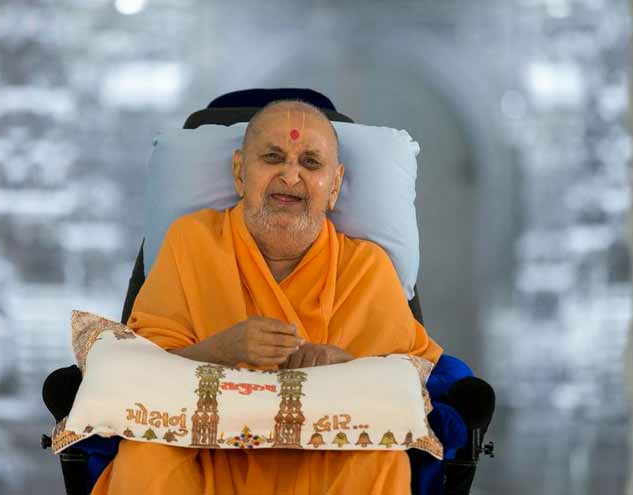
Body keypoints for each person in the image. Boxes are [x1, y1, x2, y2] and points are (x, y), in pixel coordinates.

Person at [91, 100, 443, 495]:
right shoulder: (190, 243)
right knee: (146, 455)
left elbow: (411, 384)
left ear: (336, 185)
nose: (290, 176)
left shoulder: (365, 267)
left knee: (379, 456)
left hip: (322, 459)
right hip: (207, 454)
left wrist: (344, 365)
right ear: (240, 173)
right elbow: (138, 378)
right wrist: (220, 350)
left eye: (310, 163)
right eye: (273, 157)